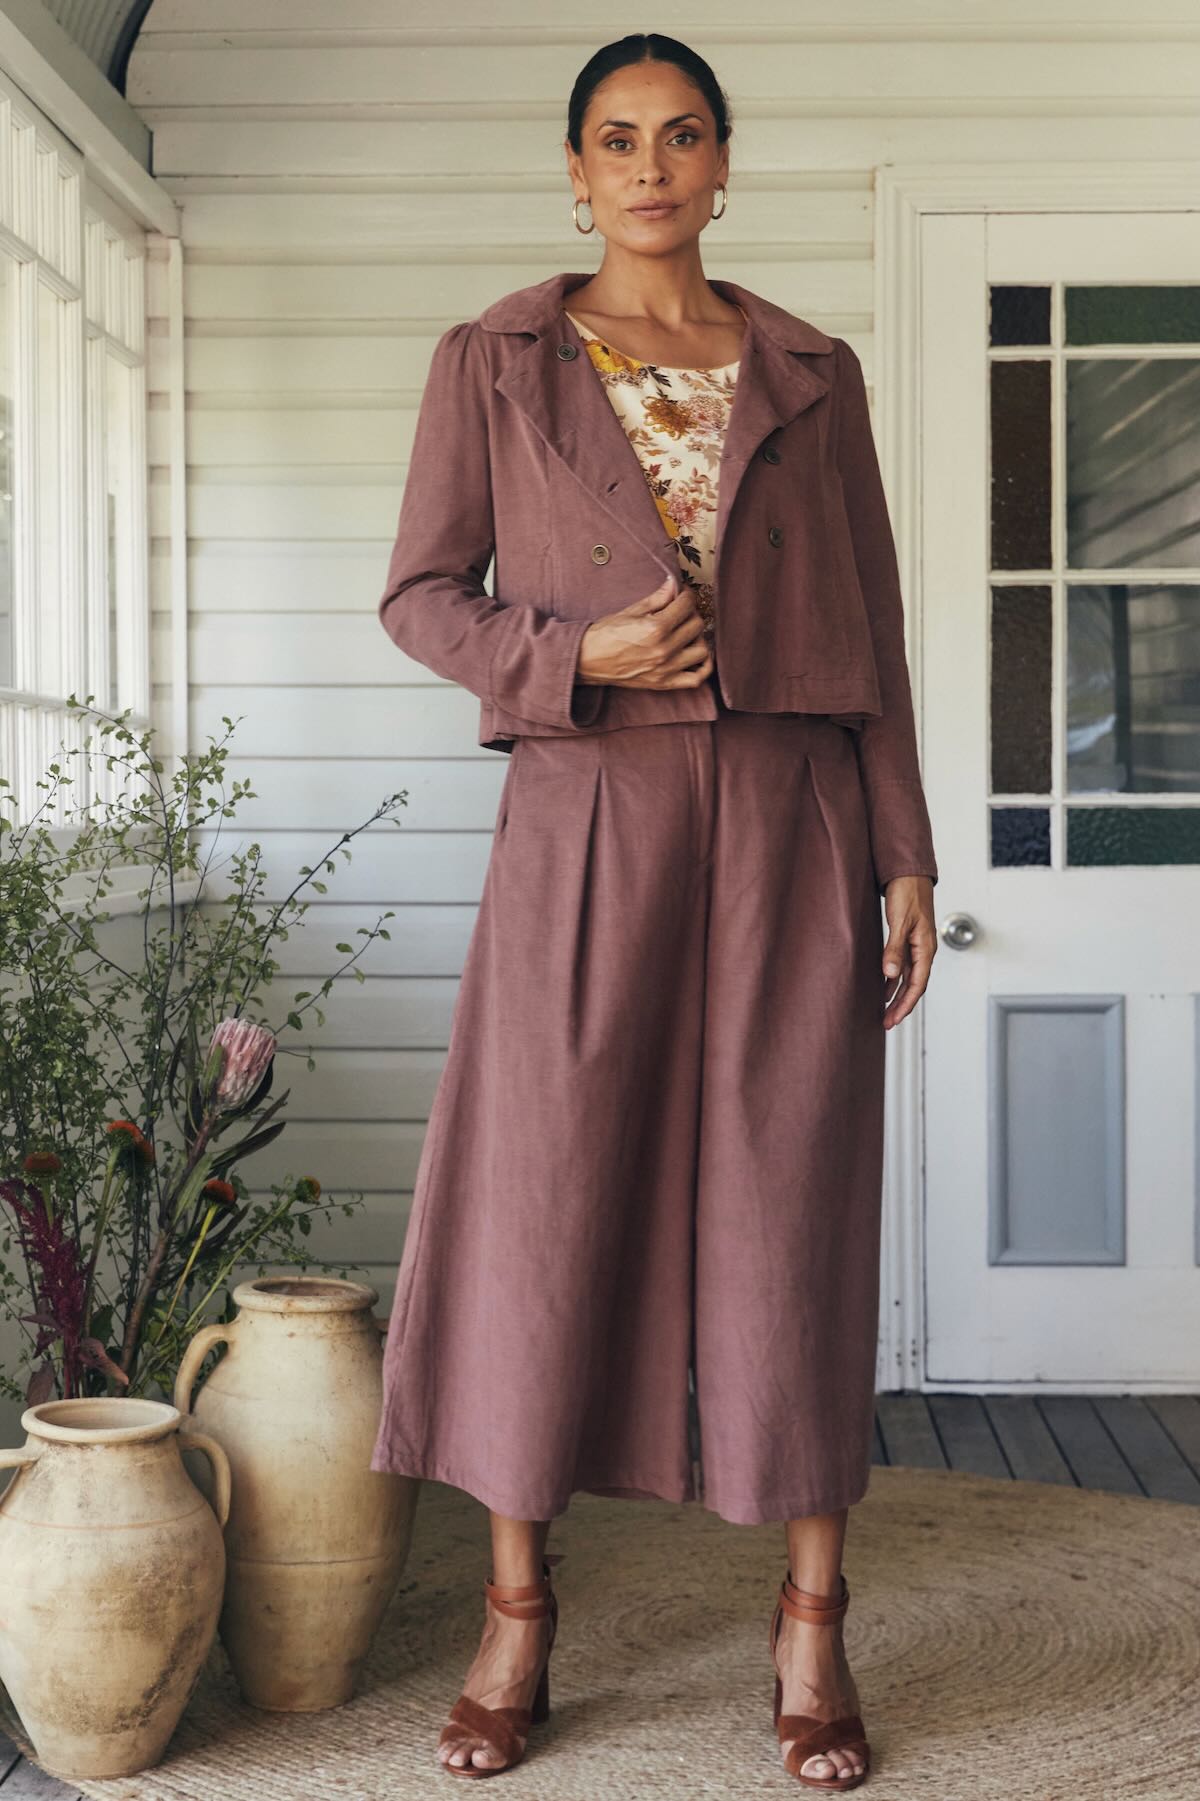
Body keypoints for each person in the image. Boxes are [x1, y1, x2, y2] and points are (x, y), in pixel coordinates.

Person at [370, 31, 939, 1791]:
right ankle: (517, 1610)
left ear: (721, 162)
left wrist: (906, 848)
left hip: (791, 813)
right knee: (542, 1199)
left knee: (795, 1195)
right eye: (616, 139)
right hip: (587, 806)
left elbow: (877, 629)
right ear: (574, 170)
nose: (650, 167)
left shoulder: (813, 372)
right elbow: (420, 594)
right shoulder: (494, 361)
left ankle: (812, 1618)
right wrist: (575, 653)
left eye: (681, 135)